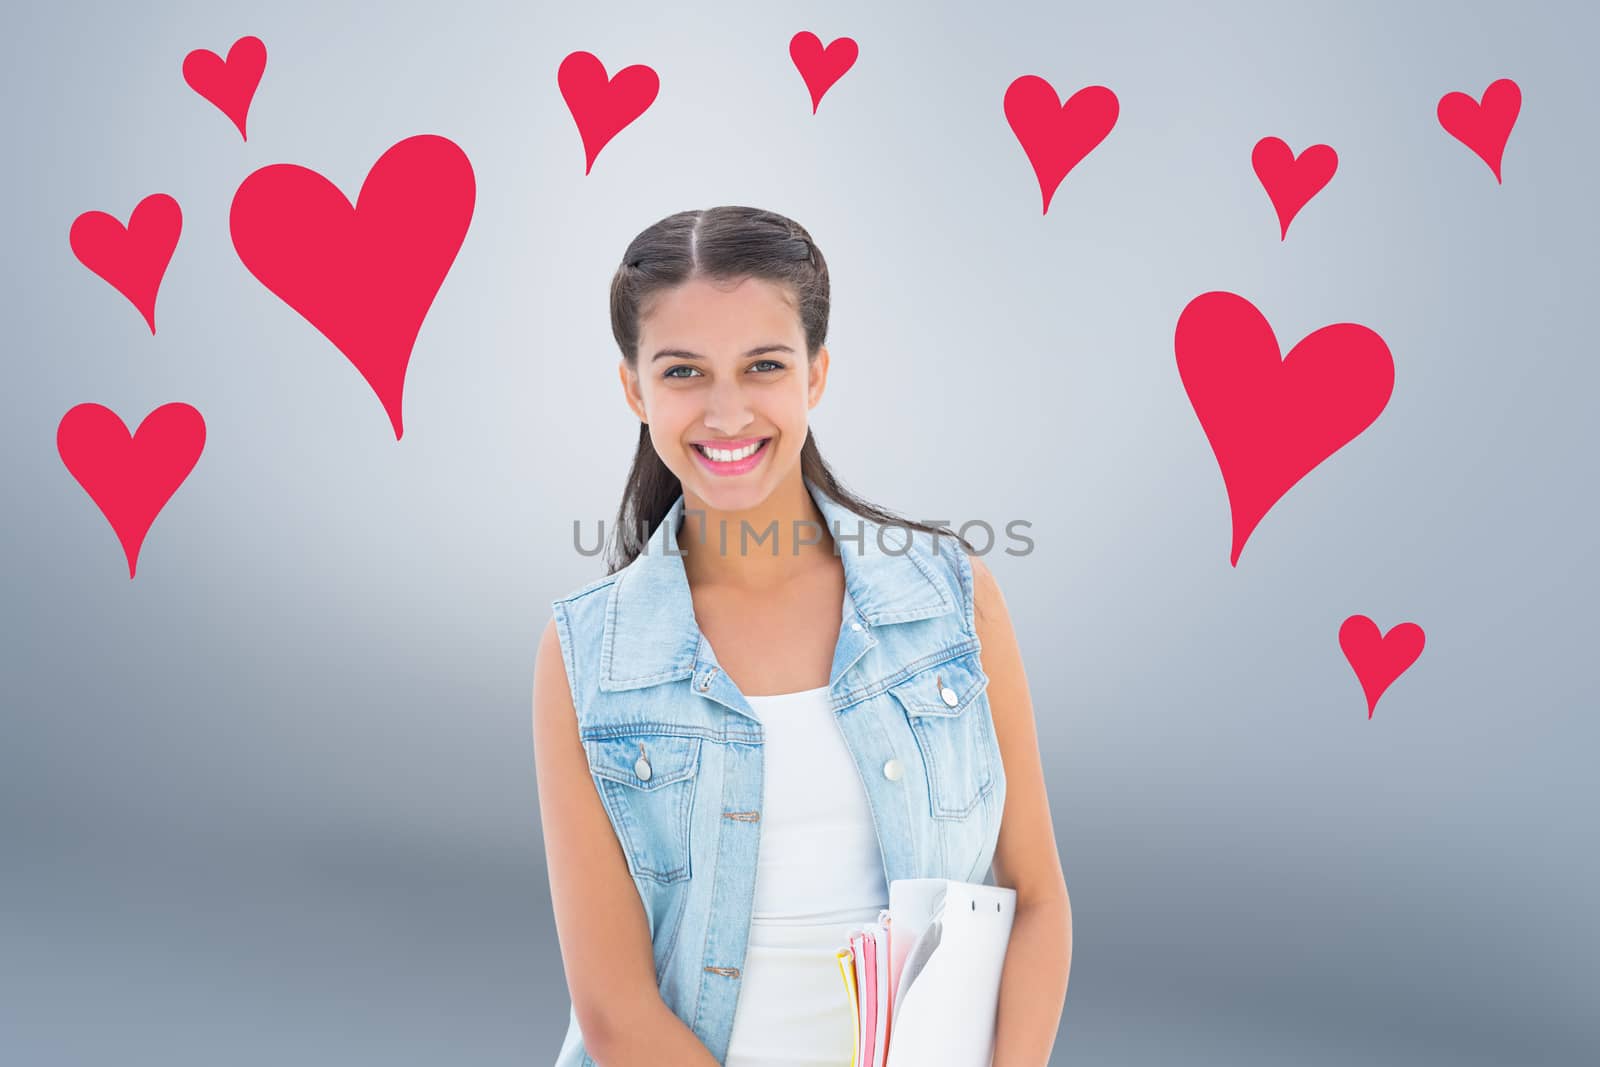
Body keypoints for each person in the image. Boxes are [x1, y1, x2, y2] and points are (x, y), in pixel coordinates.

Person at [532, 206, 1071, 1066]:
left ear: (815, 374)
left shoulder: (952, 601)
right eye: (683, 371)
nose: (728, 410)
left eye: (764, 365)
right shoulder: (590, 654)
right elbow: (614, 1011)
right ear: (634, 388)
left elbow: (1037, 897)